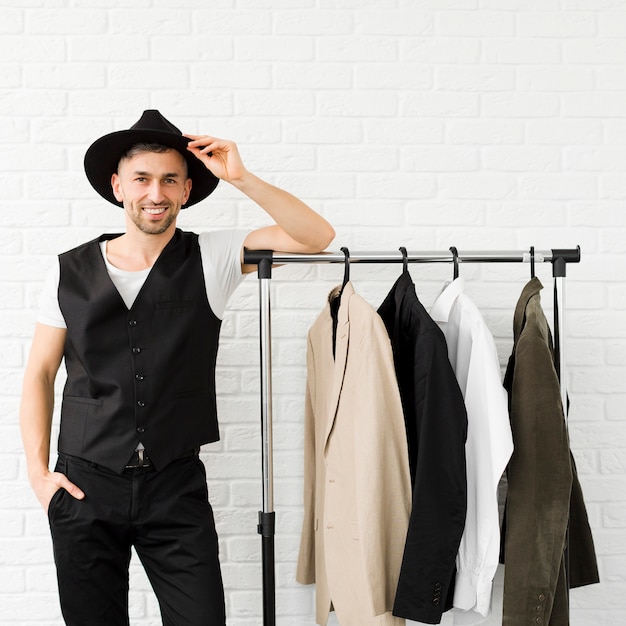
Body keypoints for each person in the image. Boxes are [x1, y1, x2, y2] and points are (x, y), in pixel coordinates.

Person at [19, 110, 335, 626]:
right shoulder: (67, 271)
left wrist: (242, 178)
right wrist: (37, 474)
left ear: (187, 190)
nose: (155, 194)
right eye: (142, 179)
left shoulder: (214, 255)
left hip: (175, 484)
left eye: (170, 180)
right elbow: (39, 374)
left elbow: (316, 235)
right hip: (84, 485)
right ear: (118, 186)